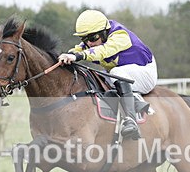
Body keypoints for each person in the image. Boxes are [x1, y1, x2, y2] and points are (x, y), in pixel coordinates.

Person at [57, 10, 158, 139]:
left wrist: (77, 56)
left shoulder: (120, 36)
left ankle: (130, 120)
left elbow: (102, 51)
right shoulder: (94, 39)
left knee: (115, 73)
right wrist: (64, 56)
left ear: (104, 32)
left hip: (145, 73)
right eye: (85, 39)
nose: (89, 43)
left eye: (92, 38)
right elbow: (77, 50)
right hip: (124, 74)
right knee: (97, 77)